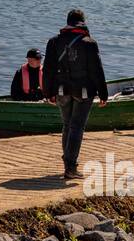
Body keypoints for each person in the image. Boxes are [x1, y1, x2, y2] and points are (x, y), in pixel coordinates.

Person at [42, 10, 108, 180]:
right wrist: (103, 93)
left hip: (62, 90)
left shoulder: (53, 42)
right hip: (83, 91)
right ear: (82, 22)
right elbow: (97, 71)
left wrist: (48, 92)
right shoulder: (89, 43)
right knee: (76, 126)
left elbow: (48, 69)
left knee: (67, 125)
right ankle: (70, 167)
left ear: (68, 22)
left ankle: (68, 163)